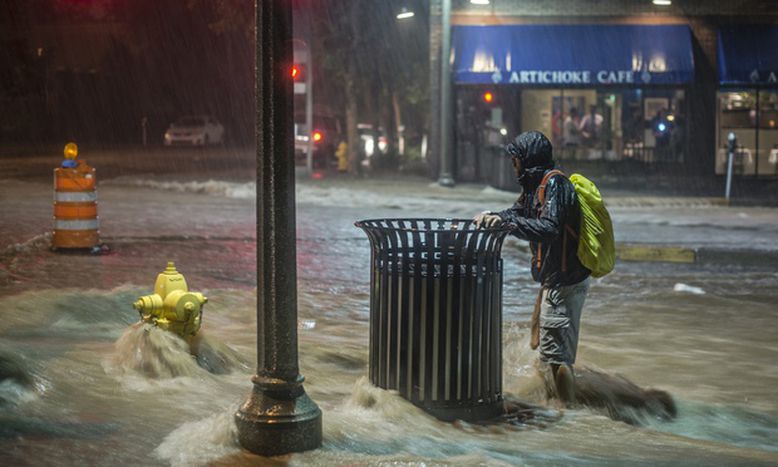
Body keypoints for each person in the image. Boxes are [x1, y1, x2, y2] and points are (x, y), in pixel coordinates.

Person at [473, 130, 591, 406]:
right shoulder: (534, 187)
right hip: (554, 281)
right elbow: (517, 213)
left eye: (516, 159)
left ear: (528, 159)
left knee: (556, 357)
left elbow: (549, 228)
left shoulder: (555, 185)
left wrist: (509, 225)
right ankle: (555, 405)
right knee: (546, 351)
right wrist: (496, 217)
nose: (513, 165)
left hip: (565, 282)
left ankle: (569, 415)